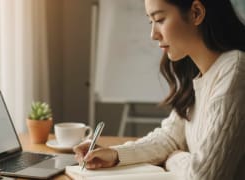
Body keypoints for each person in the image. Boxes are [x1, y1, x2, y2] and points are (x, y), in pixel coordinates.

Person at [73, 0, 245, 179]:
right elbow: (170, 138)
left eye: (160, 19)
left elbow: (202, 175)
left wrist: (173, 158)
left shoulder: (234, 69)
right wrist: (115, 155)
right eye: (151, 21)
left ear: (196, 13)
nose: (153, 35)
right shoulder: (196, 73)